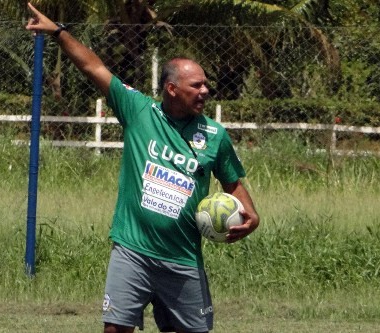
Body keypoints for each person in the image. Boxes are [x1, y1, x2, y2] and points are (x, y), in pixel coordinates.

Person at [26, 3, 259, 333]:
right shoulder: (138, 111)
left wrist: (253, 216)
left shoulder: (213, 135)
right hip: (132, 252)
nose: (205, 91)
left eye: (206, 84)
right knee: (115, 329)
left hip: (182, 260)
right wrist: (58, 32)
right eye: (196, 85)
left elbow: (232, 184)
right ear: (171, 89)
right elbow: (94, 68)